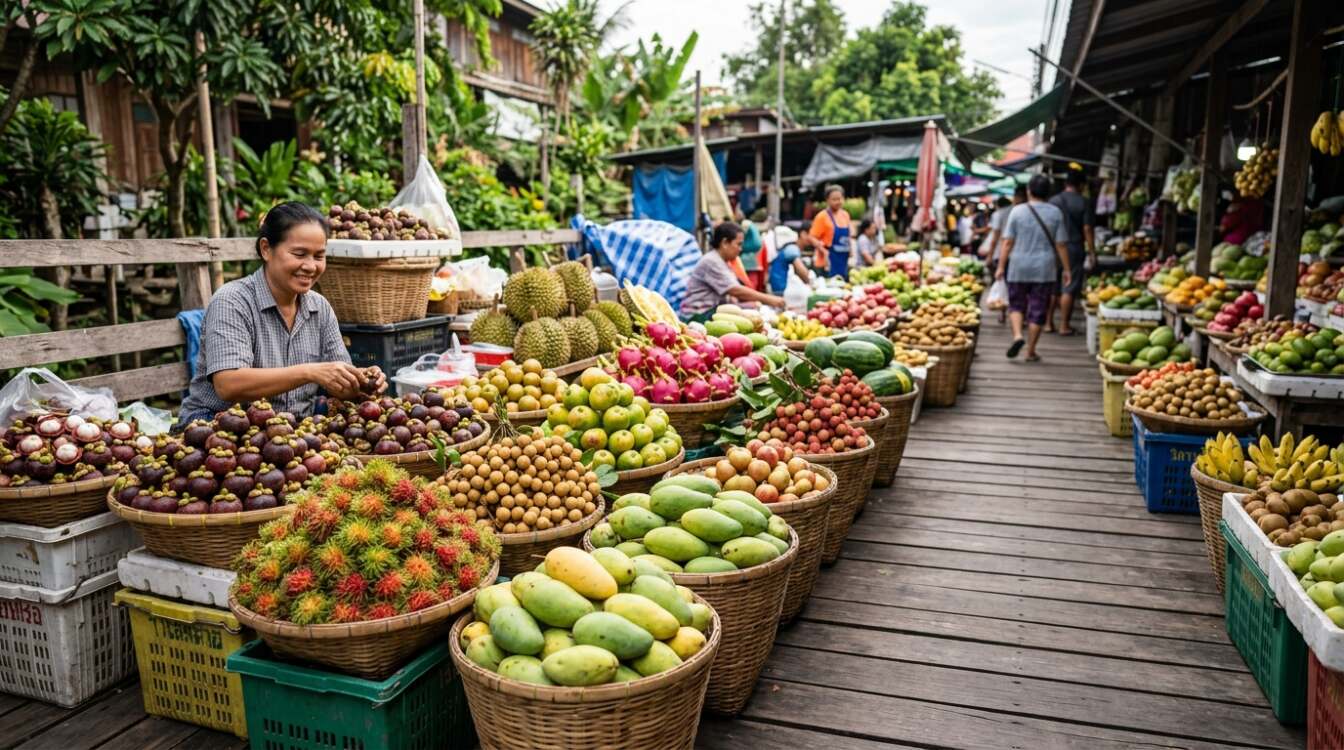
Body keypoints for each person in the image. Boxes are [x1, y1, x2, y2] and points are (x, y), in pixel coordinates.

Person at [178, 202, 385, 425]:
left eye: (318, 256)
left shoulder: (320, 308)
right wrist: (310, 372)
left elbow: (339, 385)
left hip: (289, 434)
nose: (310, 266)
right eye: (299, 254)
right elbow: (228, 384)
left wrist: (362, 381)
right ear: (266, 249)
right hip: (214, 429)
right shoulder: (232, 301)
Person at [996, 175, 1071, 362]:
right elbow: (1061, 244)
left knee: (1016, 305)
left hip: (1018, 266)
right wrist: (1067, 269)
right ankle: (1030, 351)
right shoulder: (1055, 212)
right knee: (1038, 310)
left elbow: (1007, 243)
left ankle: (1017, 336)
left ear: (1029, 191)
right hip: (1044, 269)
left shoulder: (1017, 211)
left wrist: (1000, 266)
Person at [681, 222, 785, 316]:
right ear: (725, 243)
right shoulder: (711, 261)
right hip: (698, 316)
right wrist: (769, 299)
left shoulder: (724, 262)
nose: (740, 249)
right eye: (738, 244)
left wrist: (752, 305)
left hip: (712, 312)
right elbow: (735, 290)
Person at [1047, 169, 1096, 336]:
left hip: (1053, 248)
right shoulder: (1084, 202)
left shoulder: (1053, 201)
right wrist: (1092, 251)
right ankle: (1064, 326)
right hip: (1074, 248)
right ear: (1081, 185)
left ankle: (1048, 323)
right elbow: (1087, 228)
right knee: (1069, 286)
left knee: (1053, 287)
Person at [809, 185, 853, 279]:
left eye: (840, 199)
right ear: (827, 200)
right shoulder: (822, 217)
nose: (838, 202)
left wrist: (851, 250)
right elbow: (812, 237)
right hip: (827, 261)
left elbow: (849, 235)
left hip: (843, 260)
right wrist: (822, 249)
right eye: (834, 199)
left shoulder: (845, 215)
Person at [766, 225, 812, 295]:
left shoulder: (785, 248)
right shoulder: (792, 249)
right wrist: (811, 282)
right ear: (803, 234)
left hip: (777, 290)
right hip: (781, 292)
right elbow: (803, 274)